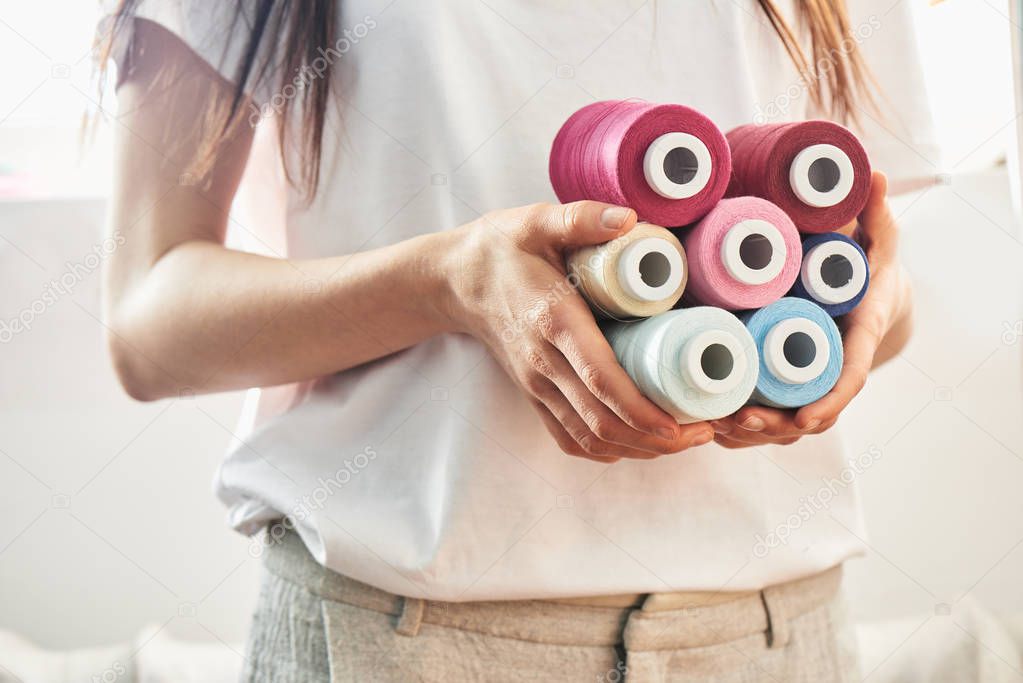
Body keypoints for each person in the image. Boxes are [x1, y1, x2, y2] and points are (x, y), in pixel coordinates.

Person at [96, 1, 934, 680]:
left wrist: (850, 332)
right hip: (398, 637)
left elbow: (883, 283)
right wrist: (445, 280)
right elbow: (150, 325)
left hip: (770, 636)